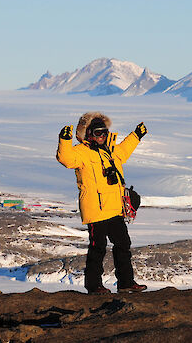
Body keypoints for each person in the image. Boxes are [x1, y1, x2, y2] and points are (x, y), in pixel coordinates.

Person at [56, 112, 148, 294]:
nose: (102, 136)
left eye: (104, 133)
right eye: (98, 133)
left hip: (114, 207)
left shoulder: (112, 150)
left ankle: (126, 283)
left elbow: (125, 149)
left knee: (123, 244)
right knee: (97, 248)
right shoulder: (81, 153)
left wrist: (136, 134)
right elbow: (65, 159)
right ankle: (94, 285)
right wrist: (64, 139)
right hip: (95, 209)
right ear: (89, 134)